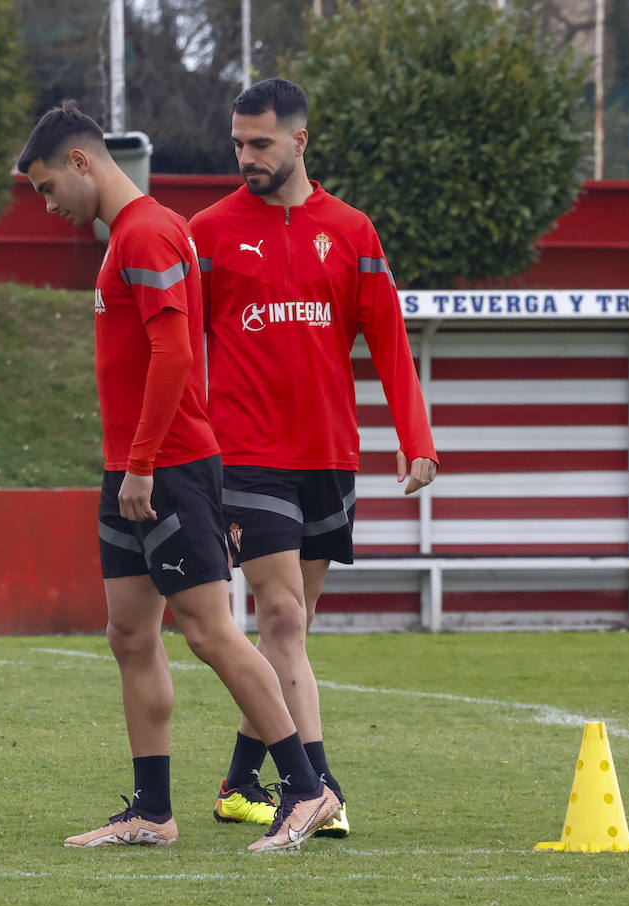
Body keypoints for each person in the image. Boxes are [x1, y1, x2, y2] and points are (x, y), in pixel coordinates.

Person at [18, 102, 340, 852]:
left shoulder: (149, 230)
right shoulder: (125, 238)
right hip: (129, 469)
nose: (47, 204)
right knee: (130, 635)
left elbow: (174, 356)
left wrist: (138, 464)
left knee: (209, 631)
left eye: (43, 187)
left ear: (81, 162)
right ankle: (153, 811)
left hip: (165, 468)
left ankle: (305, 789)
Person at [190, 78, 439, 839]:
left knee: (282, 637)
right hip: (246, 457)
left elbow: (389, 341)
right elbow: (174, 347)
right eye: (237, 143)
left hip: (328, 456)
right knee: (284, 618)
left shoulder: (354, 232)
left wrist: (417, 438)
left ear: (300, 141)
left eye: (260, 143)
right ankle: (316, 783)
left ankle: (240, 781)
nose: (245, 157)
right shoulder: (205, 232)